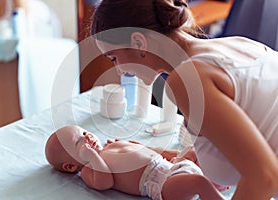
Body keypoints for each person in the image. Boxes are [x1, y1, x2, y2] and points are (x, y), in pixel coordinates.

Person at [88, 0, 278, 199]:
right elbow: (249, 131)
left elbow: (264, 177)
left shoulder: (187, 80)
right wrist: (152, 152)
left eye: (114, 58)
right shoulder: (239, 44)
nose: (119, 70)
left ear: (138, 43)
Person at [45, 125, 226, 200]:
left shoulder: (111, 146)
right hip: (163, 184)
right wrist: (93, 157)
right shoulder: (89, 170)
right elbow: (104, 182)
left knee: (195, 151)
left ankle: (217, 180)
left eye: (85, 132)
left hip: (171, 164)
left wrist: (178, 154)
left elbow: (150, 151)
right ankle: (213, 190)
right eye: (79, 142)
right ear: (71, 166)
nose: (88, 138)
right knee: (198, 182)